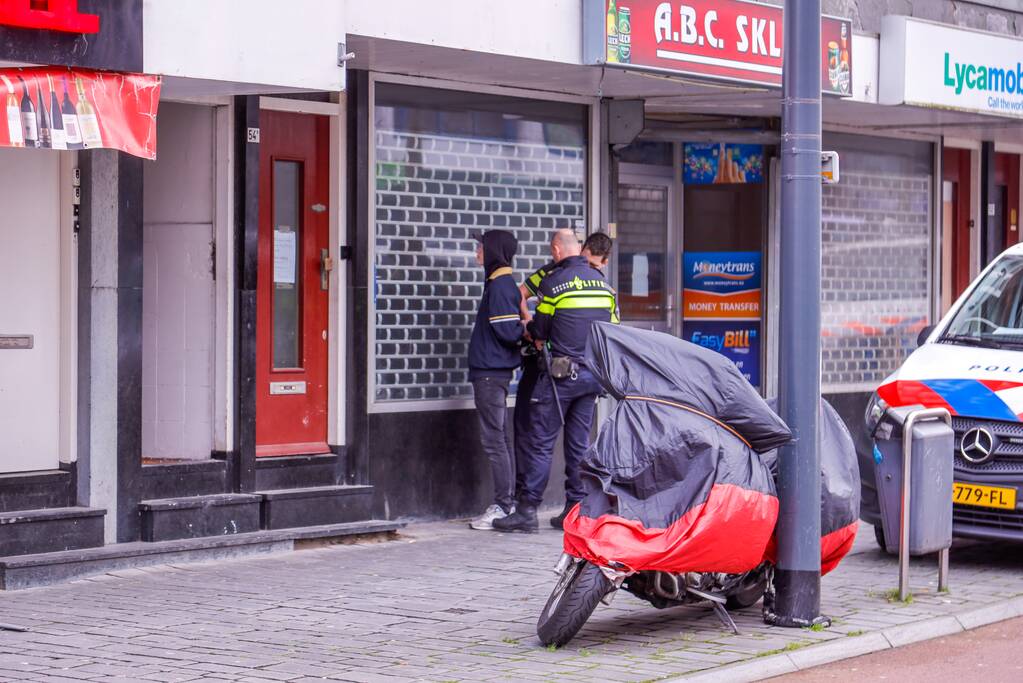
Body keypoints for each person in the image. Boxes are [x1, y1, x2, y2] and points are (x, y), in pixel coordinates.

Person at [495, 228, 619, 533]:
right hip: (592, 376)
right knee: (578, 445)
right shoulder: (605, 287)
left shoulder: (553, 285)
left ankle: (527, 511)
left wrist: (528, 326)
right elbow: (614, 331)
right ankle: (574, 510)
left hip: (561, 376)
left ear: (556, 250)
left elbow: (540, 330)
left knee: (541, 442)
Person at [467, 230, 525, 530]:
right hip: (492, 371)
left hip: (490, 372)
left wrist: (524, 327)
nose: (477, 251)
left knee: (495, 441)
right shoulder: (498, 283)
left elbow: (508, 330)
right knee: (499, 439)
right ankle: (506, 502)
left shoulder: (500, 286)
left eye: (481, 246)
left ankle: (503, 505)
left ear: (493, 251)